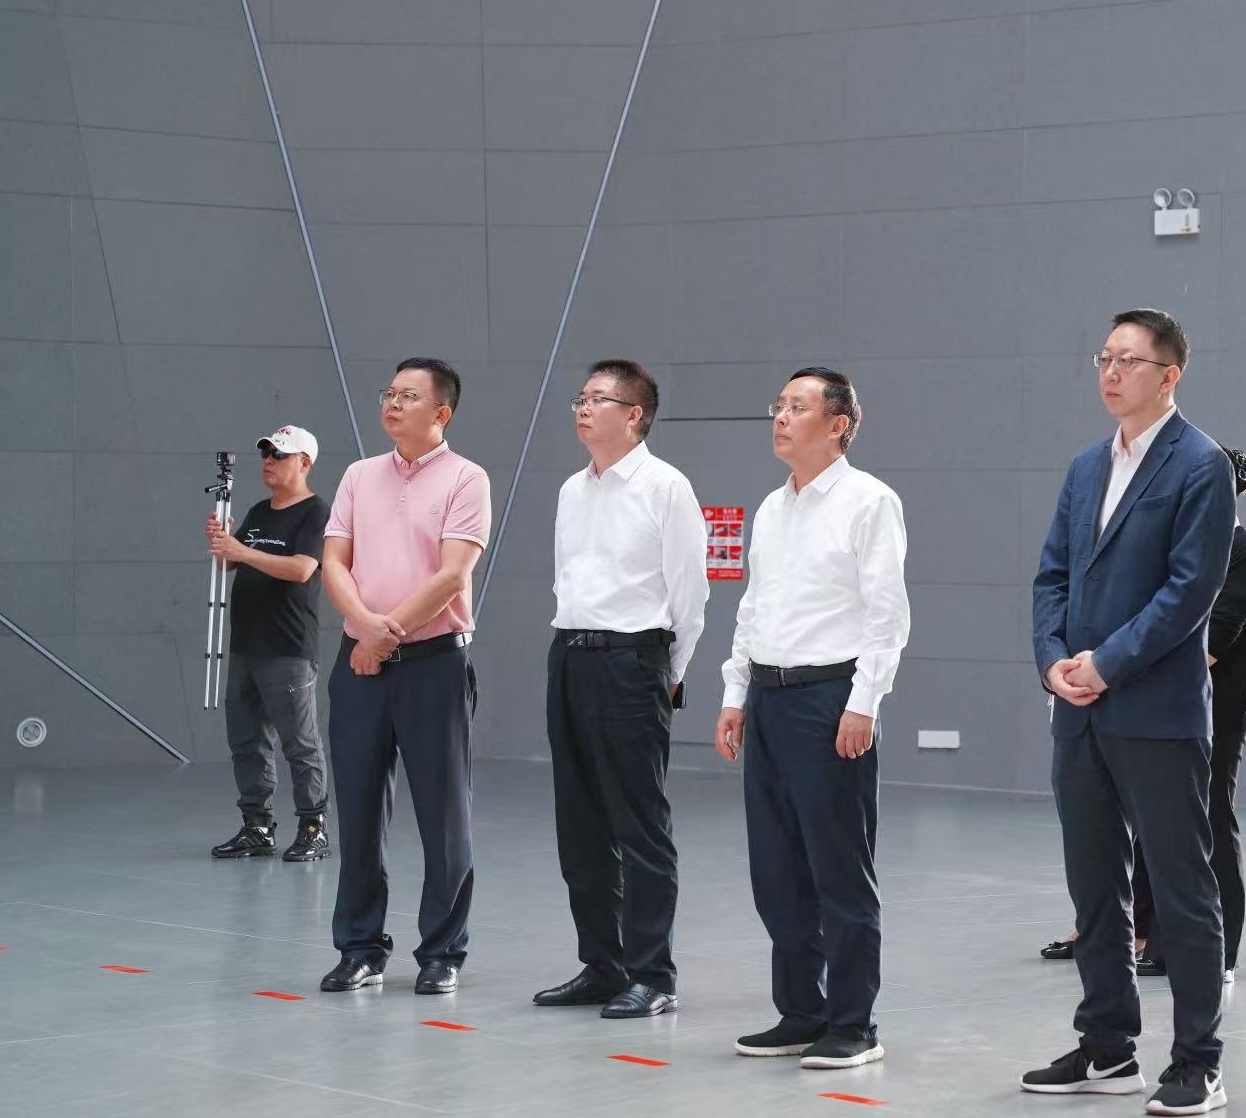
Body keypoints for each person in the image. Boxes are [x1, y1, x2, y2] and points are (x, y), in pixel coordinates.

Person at [1022, 309, 1236, 1117]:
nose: (1111, 373)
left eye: (1129, 361)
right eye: (1104, 358)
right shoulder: (1086, 467)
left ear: (1170, 375)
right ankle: (1107, 1048)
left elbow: (1188, 592)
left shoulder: (1200, 465)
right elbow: (1051, 576)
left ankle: (1198, 1061)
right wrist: (1053, 663)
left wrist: (1105, 664)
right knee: (1093, 891)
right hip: (1078, 712)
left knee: (1181, 892)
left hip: (1157, 713)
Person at [713, 368, 909, 1071]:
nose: (781, 417)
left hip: (830, 700)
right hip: (769, 696)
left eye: (798, 407)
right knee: (777, 868)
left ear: (837, 425)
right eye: (779, 405)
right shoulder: (772, 508)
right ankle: (801, 1012)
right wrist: (735, 693)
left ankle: (854, 1023)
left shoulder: (869, 502)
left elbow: (887, 615)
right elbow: (754, 605)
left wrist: (864, 702)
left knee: (839, 869)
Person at [1039, 446, 1246, 986]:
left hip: (1209, 709)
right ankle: (1136, 933)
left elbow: (1207, 647)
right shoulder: (1169, 546)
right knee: (1138, 823)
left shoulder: (1241, 552)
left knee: (1208, 821)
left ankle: (1218, 952)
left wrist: (1110, 668)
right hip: (1140, 698)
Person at [533, 360, 707, 1019]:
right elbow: (567, 578)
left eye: (597, 399)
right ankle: (602, 966)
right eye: (579, 398)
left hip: (634, 661)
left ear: (634, 415)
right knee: (579, 826)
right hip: (570, 656)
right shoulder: (571, 490)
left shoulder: (667, 487)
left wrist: (666, 675)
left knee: (640, 826)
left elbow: (690, 595)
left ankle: (653, 974)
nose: (582, 408)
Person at [316, 358, 491, 997]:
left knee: (444, 817)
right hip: (358, 664)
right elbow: (333, 562)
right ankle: (360, 948)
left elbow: (452, 575)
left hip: (433, 664)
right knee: (359, 811)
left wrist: (381, 636)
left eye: (409, 396)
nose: (392, 403)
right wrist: (364, 630)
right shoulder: (359, 475)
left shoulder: (467, 478)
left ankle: (442, 952)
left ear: (441, 413)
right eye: (389, 393)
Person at [205, 426, 331, 862]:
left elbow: (302, 569)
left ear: (304, 463)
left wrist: (241, 552)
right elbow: (229, 567)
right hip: (246, 645)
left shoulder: (315, 512)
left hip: (288, 647)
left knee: (300, 743)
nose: (269, 461)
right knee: (246, 739)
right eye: (266, 454)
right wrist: (222, 545)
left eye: (280, 455)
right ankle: (257, 826)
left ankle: (313, 828)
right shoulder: (259, 511)